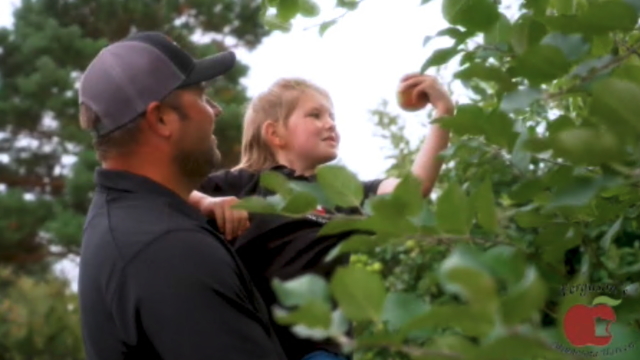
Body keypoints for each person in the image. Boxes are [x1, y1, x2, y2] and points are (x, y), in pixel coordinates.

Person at [188, 76, 454, 360]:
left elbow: (414, 191)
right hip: (250, 344)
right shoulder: (241, 184)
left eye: (331, 116)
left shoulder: (345, 195)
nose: (330, 123)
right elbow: (161, 189)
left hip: (319, 350)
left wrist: (444, 112)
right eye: (315, 115)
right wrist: (206, 202)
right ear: (275, 134)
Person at [77, 31, 287, 360]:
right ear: (161, 118)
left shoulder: (122, 219)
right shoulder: (167, 248)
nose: (215, 110)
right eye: (202, 97)